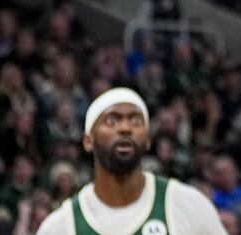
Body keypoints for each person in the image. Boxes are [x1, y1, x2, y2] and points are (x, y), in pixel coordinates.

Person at [34, 88, 227, 235]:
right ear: (88, 140)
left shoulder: (187, 204)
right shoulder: (60, 226)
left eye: (136, 121)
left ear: (148, 139)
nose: (125, 128)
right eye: (112, 121)